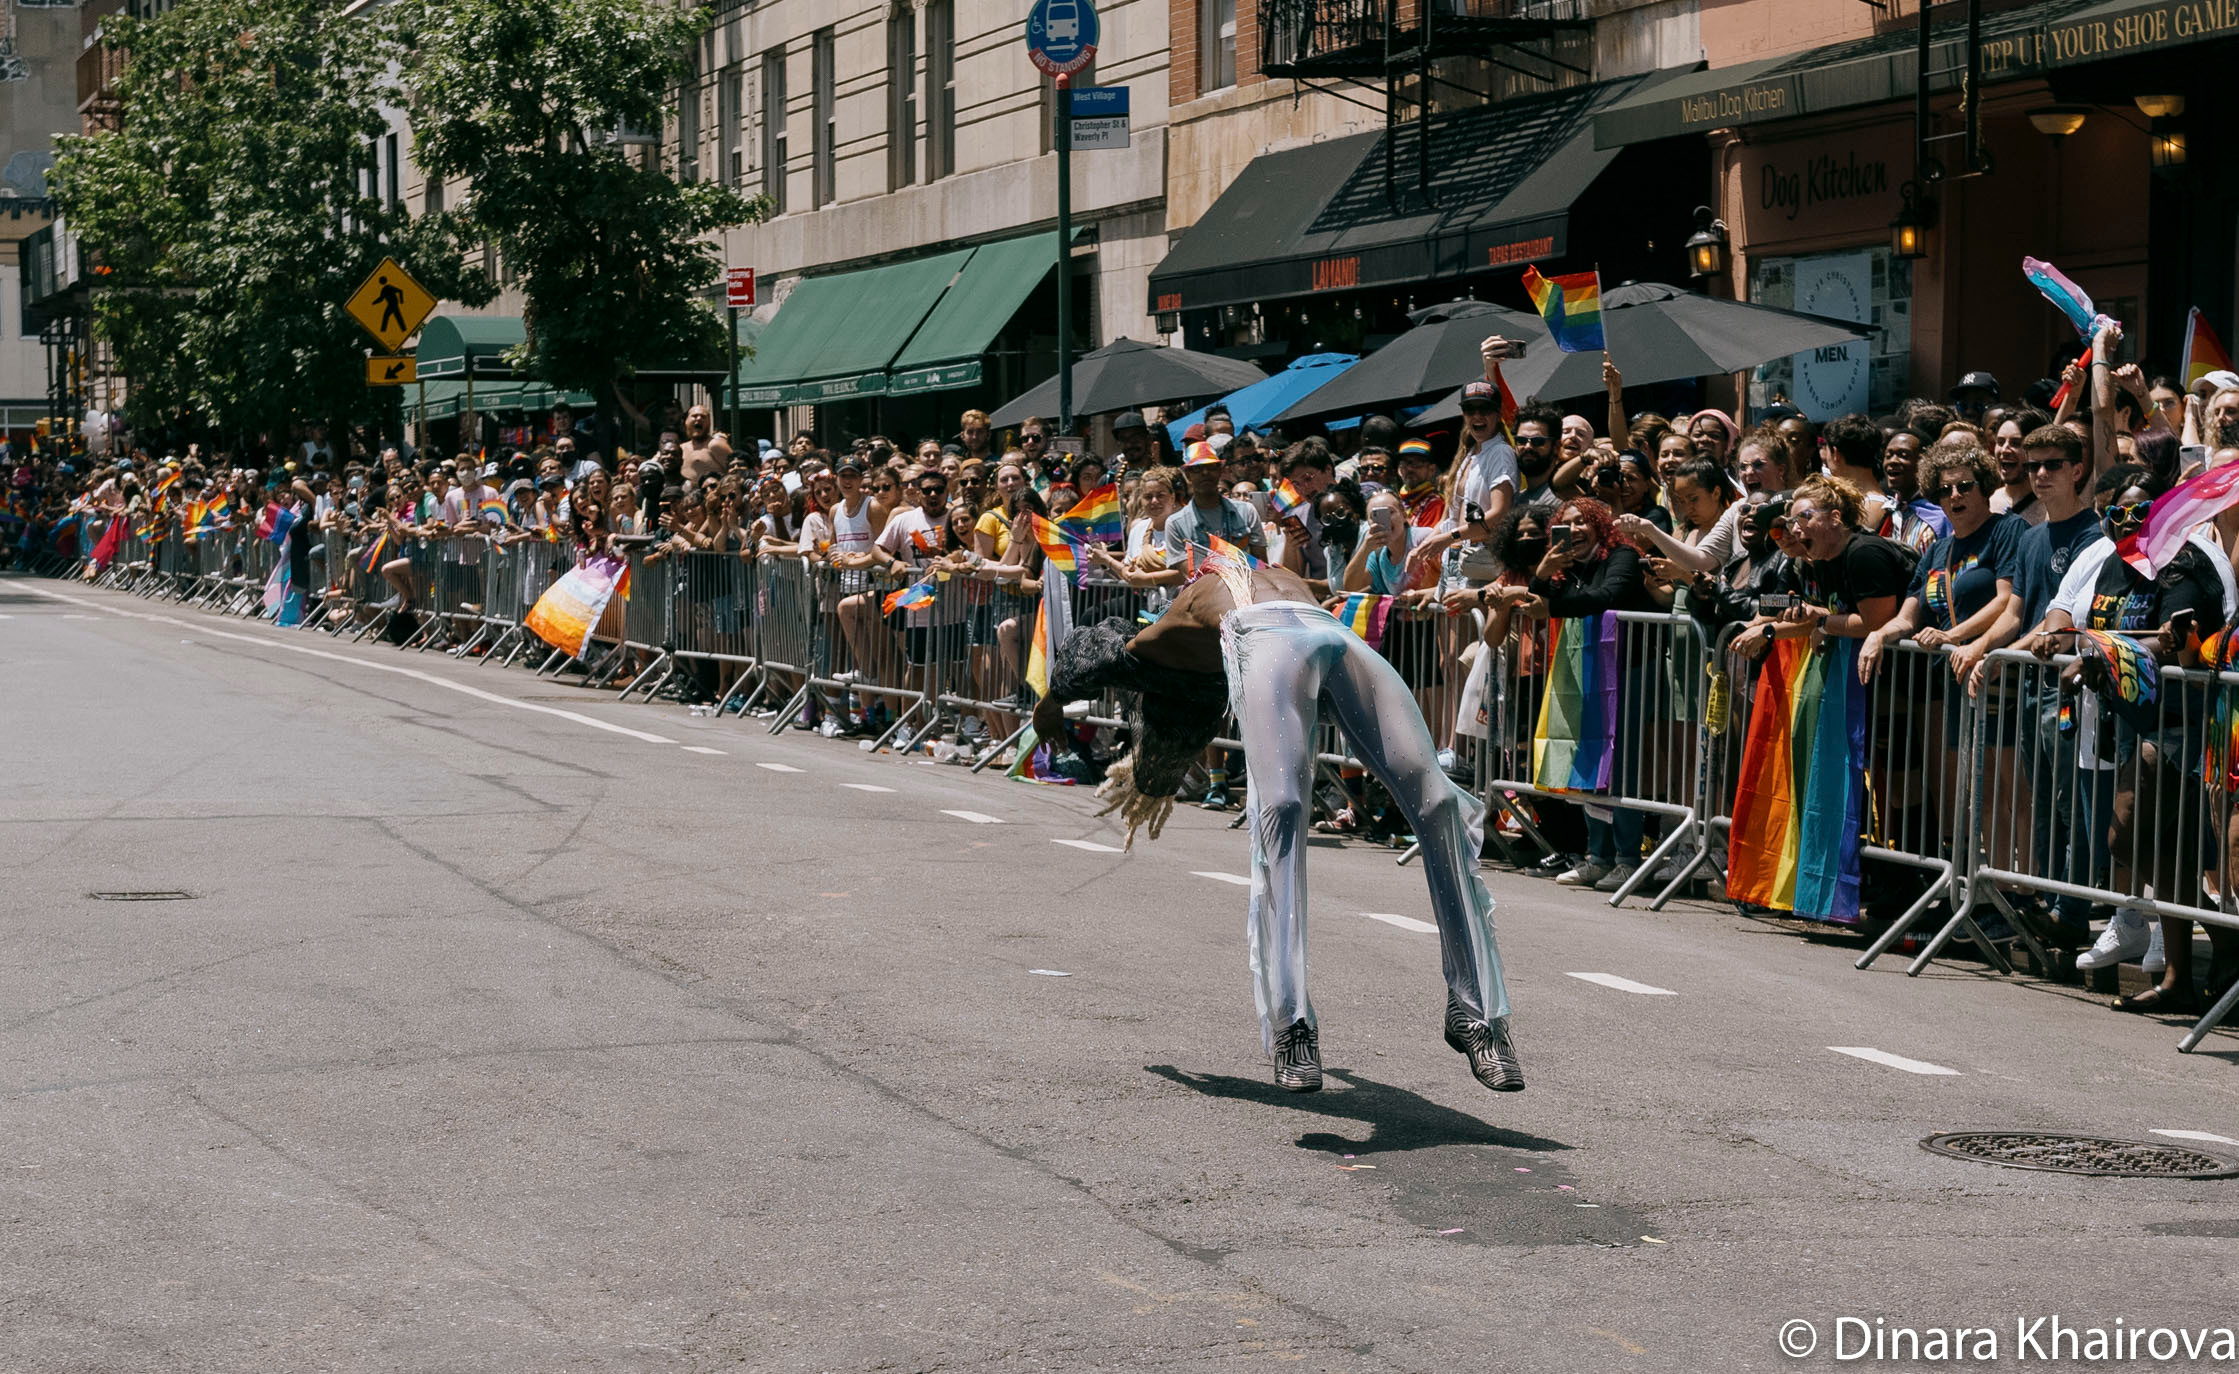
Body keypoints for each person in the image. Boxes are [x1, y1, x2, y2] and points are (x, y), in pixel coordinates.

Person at [1030, 556, 1521, 1095]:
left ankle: (1477, 1013)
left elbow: (1102, 657)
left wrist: (1056, 697)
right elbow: (1117, 654)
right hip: (1266, 638)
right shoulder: (1189, 607)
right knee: (1283, 806)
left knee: (1440, 805)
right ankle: (1291, 1023)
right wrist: (1053, 697)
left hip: (1332, 636)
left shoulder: (1260, 579)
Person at [1155, 440, 1265, 578]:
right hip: (1206, 596)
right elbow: (1192, 575)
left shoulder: (1247, 512)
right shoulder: (1176, 524)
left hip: (1250, 592)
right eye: (1197, 469)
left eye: (1211, 467)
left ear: (1220, 470)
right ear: (1188, 475)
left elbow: (1261, 565)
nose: (1205, 473)